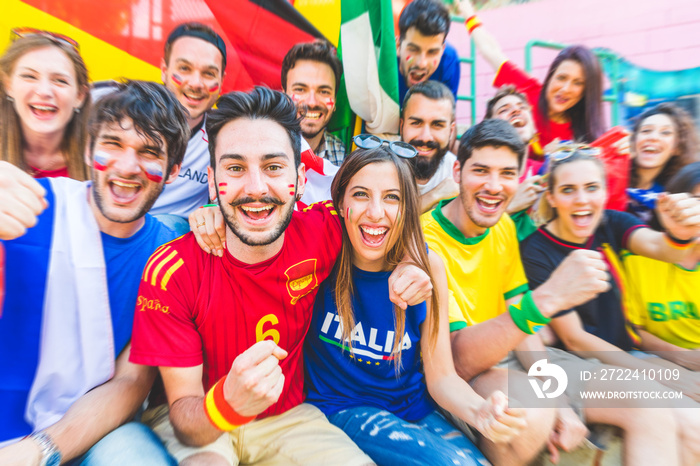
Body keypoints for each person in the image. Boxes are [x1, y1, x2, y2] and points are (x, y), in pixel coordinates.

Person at [129, 87, 432, 465]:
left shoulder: (323, 228)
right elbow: (187, 421)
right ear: (212, 179)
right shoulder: (172, 270)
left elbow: (378, 224)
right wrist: (229, 401)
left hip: (291, 418)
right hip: (205, 423)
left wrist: (409, 264)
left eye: (273, 168)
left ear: (301, 179)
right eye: (236, 168)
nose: (256, 189)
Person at [0, 80, 189, 465]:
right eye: (113, 145)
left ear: (172, 172)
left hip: (93, 432)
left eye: (149, 152)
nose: (127, 167)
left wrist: (39, 452)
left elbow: (131, 382)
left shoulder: (169, 254)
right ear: (88, 150)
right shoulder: (29, 207)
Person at [304, 139, 527, 466]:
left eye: (391, 197)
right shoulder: (318, 254)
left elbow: (442, 377)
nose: (375, 212)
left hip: (414, 407)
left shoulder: (429, 265)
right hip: (342, 406)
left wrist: (480, 411)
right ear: (339, 202)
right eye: (361, 194)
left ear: (407, 207)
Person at [421, 119, 611, 465]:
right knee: (530, 412)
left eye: (507, 173)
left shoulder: (503, 226)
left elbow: (522, 326)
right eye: (481, 170)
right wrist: (548, 298)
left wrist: (561, 400)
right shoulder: (426, 240)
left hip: (503, 356)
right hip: (461, 374)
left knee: (651, 405)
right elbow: (459, 362)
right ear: (459, 172)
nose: (494, 186)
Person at [521, 145, 700, 464]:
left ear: (605, 191)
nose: (581, 200)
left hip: (625, 356)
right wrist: (665, 375)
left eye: (591, 188)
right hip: (579, 362)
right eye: (568, 190)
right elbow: (576, 338)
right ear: (551, 197)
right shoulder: (535, 250)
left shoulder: (611, 223)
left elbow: (663, 247)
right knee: (686, 418)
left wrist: (679, 235)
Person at [458, 0, 605, 159]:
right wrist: (468, 13)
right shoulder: (528, 90)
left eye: (578, 83)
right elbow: (490, 50)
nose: (565, 89)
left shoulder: (585, 132)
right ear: (550, 77)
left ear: (586, 91)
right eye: (561, 78)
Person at [624, 161, 700, 370]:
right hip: (653, 361)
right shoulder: (640, 257)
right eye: (697, 202)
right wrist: (680, 357)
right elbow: (632, 330)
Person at [150, 22, 226, 222]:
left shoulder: (226, 138)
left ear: (221, 82)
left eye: (209, 74)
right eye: (184, 68)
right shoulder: (124, 120)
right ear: (164, 70)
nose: (195, 84)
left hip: (175, 243)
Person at [0, 28, 90, 180]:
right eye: (29, 76)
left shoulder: (98, 165)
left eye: (60, 80)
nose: (44, 92)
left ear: (79, 96)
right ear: (8, 85)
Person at [484, 86, 544, 239]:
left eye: (522, 108)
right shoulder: (481, 177)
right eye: (504, 110)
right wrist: (509, 207)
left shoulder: (547, 170)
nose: (516, 111)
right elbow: (467, 236)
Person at [627, 102, 700, 228]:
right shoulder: (608, 176)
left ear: (677, 148)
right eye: (646, 130)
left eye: (665, 133)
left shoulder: (677, 195)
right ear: (633, 140)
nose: (653, 137)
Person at [281, 39, 346, 167]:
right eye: (300, 89)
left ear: (335, 100)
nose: (311, 102)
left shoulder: (344, 158)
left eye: (324, 91)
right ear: (284, 95)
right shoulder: (262, 147)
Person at [399, 81, 459, 213]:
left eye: (437, 125)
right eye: (416, 123)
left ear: (451, 130)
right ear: (401, 126)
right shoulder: (380, 163)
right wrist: (435, 195)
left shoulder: (458, 173)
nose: (425, 137)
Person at [397, 0, 461, 105]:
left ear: (442, 51)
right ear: (398, 46)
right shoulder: (380, 60)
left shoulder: (449, 60)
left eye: (432, 52)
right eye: (413, 49)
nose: (422, 63)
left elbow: (442, 115)